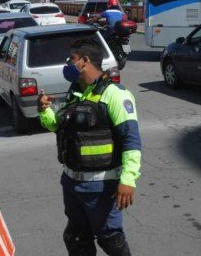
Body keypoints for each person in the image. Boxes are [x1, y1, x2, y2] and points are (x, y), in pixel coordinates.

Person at [37, 38, 142, 256]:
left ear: (84, 61)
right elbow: (58, 126)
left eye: (71, 59)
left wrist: (128, 180)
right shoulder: (75, 93)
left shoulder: (115, 95)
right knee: (76, 238)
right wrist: (44, 110)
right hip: (71, 183)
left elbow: (131, 140)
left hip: (101, 187)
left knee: (111, 240)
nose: (67, 64)